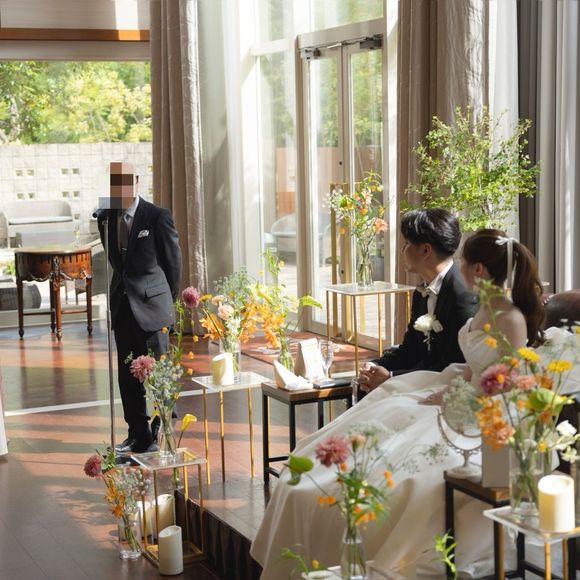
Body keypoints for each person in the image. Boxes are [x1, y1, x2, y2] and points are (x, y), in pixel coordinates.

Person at [251, 230, 563, 579]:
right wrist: (452, 387)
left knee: (411, 451)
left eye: (463, 260)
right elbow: (475, 367)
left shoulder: (510, 319)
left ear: (478, 269)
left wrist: (459, 397)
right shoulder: (485, 307)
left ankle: (358, 537)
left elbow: (505, 384)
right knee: (392, 407)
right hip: (461, 389)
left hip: (488, 412)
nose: (459, 265)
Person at [97, 162, 182, 454]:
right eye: (114, 182)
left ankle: (164, 427)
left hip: (153, 308)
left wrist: (166, 304)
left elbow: (172, 265)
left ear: (136, 181)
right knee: (128, 375)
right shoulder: (105, 218)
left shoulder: (157, 216)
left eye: (124, 181)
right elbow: (115, 262)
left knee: (159, 374)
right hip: (123, 307)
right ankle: (138, 434)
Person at [359, 208, 478, 394]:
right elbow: (411, 349)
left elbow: (453, 366)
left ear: (425, 250)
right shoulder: (421, 292)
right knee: (364, 388)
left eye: (407, 243)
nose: (402, 250)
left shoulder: (463, 295)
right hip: (424, 380)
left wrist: (391, 377)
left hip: (448, 390)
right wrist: (375, 366)